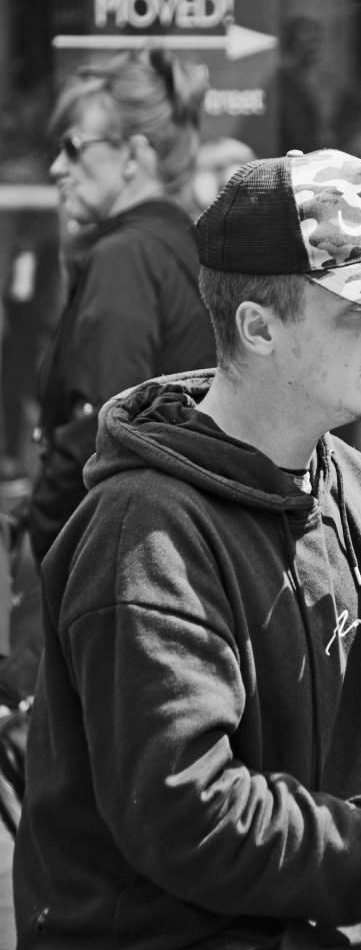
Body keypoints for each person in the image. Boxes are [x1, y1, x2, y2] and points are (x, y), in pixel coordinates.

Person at [11, 147, 361, 950]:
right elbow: (190, 816)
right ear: (259, 327)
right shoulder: (145, 532)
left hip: (331, 940)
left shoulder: (356, 485)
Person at [27, 46, 216, 568]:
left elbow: (103, 428)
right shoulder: (185, 243)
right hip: (175, 544)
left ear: (133, 153)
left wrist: (38, 536)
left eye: (73, 147)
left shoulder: (125, 256)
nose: (57, 167)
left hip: (112, 556)